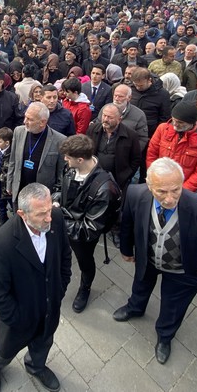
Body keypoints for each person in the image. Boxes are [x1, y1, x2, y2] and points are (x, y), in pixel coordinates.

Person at [113, 158, 197, 364]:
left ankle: (165, 336)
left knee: (174, 305)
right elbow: (127, 223)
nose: (169, 199)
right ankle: (135, 308)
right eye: (161, 191)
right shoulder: (135, 194)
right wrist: (126, 249)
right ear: (149, 184)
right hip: (148, 259)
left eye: (175, 190)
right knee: (140, 285)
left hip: (181, 269)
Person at [0, 183, 71, 392]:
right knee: (4, 351)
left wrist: (59, 291)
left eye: (50, 209)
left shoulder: (55, 218)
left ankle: (35, 366)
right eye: (42, 214)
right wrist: (19, 319)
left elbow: (65, 257)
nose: (49, 218)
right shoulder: (1, 244)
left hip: (49, 311)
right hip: (18, 321)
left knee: (43, 344)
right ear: (22, 214)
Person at [55, 134, 121, 313]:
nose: (65, 160)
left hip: (79, 235)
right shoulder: (70, 169)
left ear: (80, 159)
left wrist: (59, 220)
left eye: (68, 157)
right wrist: (55, 200)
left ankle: (85, 288)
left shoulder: (104, 189)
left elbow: (89, 231)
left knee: (85, 262)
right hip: (65, 222)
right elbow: (60, 188)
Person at [145, 101, 197, 192]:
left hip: (184, 189)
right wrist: (155, 180)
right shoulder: (162, 129)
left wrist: (181, 191)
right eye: (173, 120)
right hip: (159, 184)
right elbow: (151, 155)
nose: (175, 124)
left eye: (180, 122)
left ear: (191, 123)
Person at [6, 102, 65, 203]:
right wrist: (9, 183)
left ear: (42, 122)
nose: (25, 121)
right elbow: (12, 161)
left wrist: (56, 195)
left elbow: (61, 173)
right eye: (25, 117)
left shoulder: (60, 140)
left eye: (30, 119)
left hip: (41, 196)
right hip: (20, 188)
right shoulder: (18, 131)